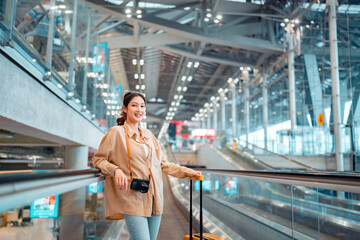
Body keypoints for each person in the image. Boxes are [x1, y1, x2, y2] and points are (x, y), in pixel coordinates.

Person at [92, 91, 201, 240]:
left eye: (142, 106)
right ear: (125, 108)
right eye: (134, 105)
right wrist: (115, 169)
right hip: (132, 198)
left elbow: (163, 164)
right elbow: (98, 159)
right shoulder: (116, 133)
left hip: (155, 199)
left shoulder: (149, 136)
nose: (139, 110)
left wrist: (187, 172)